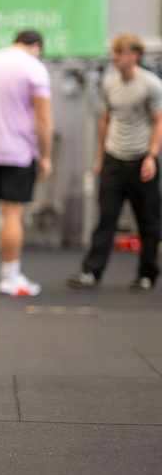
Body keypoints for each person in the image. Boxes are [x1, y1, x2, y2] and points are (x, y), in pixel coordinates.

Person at [68, 34, 162, 291]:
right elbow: (105, 120)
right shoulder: (109, 83)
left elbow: (159, 122)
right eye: (114, 52)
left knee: (148, 222)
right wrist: (100, 157)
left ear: (135, 55)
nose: (115, 57)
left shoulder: (151, 85)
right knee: (106, 219)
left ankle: (147, 275)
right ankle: (91, 273)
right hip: (113, 158)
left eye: (120, 53)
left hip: (142, 159)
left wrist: (152, 156)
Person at [0, 30, 54, 296]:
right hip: (17, 152)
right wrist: (46, 156)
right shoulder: (34, 68)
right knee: (12, 213)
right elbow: (44, 120)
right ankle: (10, 278)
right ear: (36, 46)